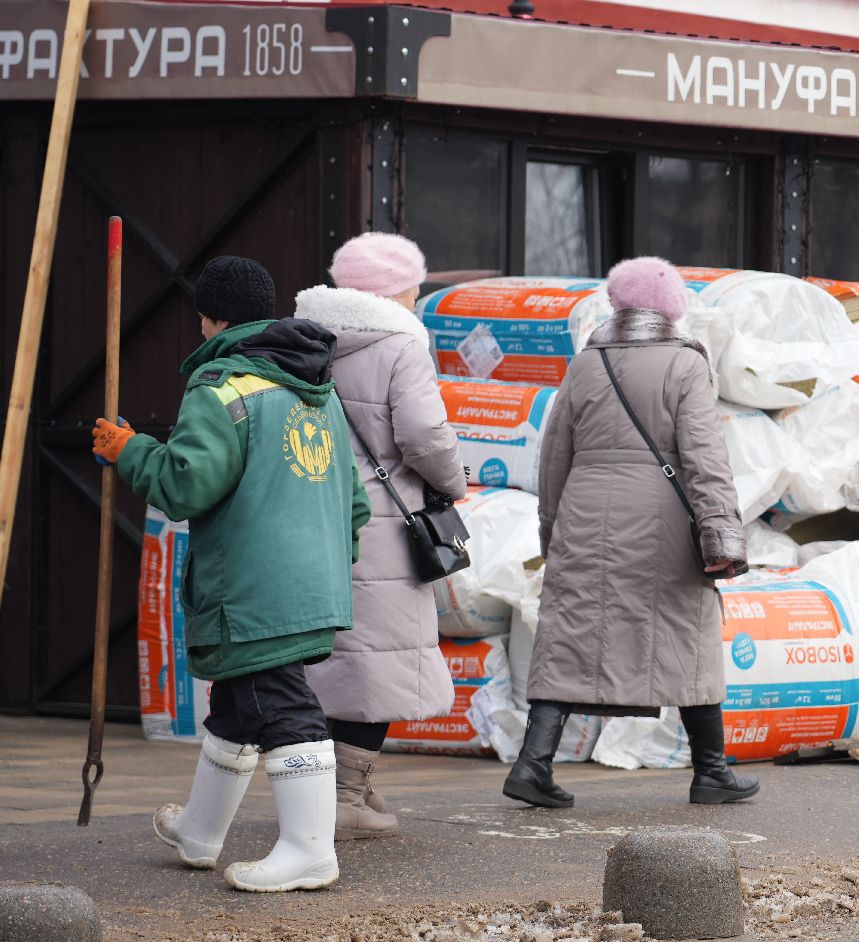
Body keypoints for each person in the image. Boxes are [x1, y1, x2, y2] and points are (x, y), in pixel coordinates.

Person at [93, 256, 370, 892]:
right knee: (239, 704)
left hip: (252, 586)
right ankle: (199, 832)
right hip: (309, 582)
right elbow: (354, 503)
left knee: (279, 703)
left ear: (210, 319)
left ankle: (308, 849)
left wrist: (130, 450)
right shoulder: (315, 389)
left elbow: (186, 485)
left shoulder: (223, 385)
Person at [502, 256, 757, 809]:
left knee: (570, 633)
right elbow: (704, 457)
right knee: (687, 633)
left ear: (617, 305)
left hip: (584, 514)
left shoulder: (585, 364)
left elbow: (553, 458)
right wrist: (720, 530)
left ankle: (532, 763)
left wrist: (553, 530)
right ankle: (711, 771)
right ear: (673, 308)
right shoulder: (686, 364)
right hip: (662, 518)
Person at [295, 233, 467, 841]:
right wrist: (456, 480)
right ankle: (345, 799)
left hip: (310, 516)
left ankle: (349, 790)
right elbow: (423, 434)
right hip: (381, 524)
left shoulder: (299, 340)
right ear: (397, 291)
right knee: (381, 663)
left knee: (334, 658)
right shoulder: (400, 345)